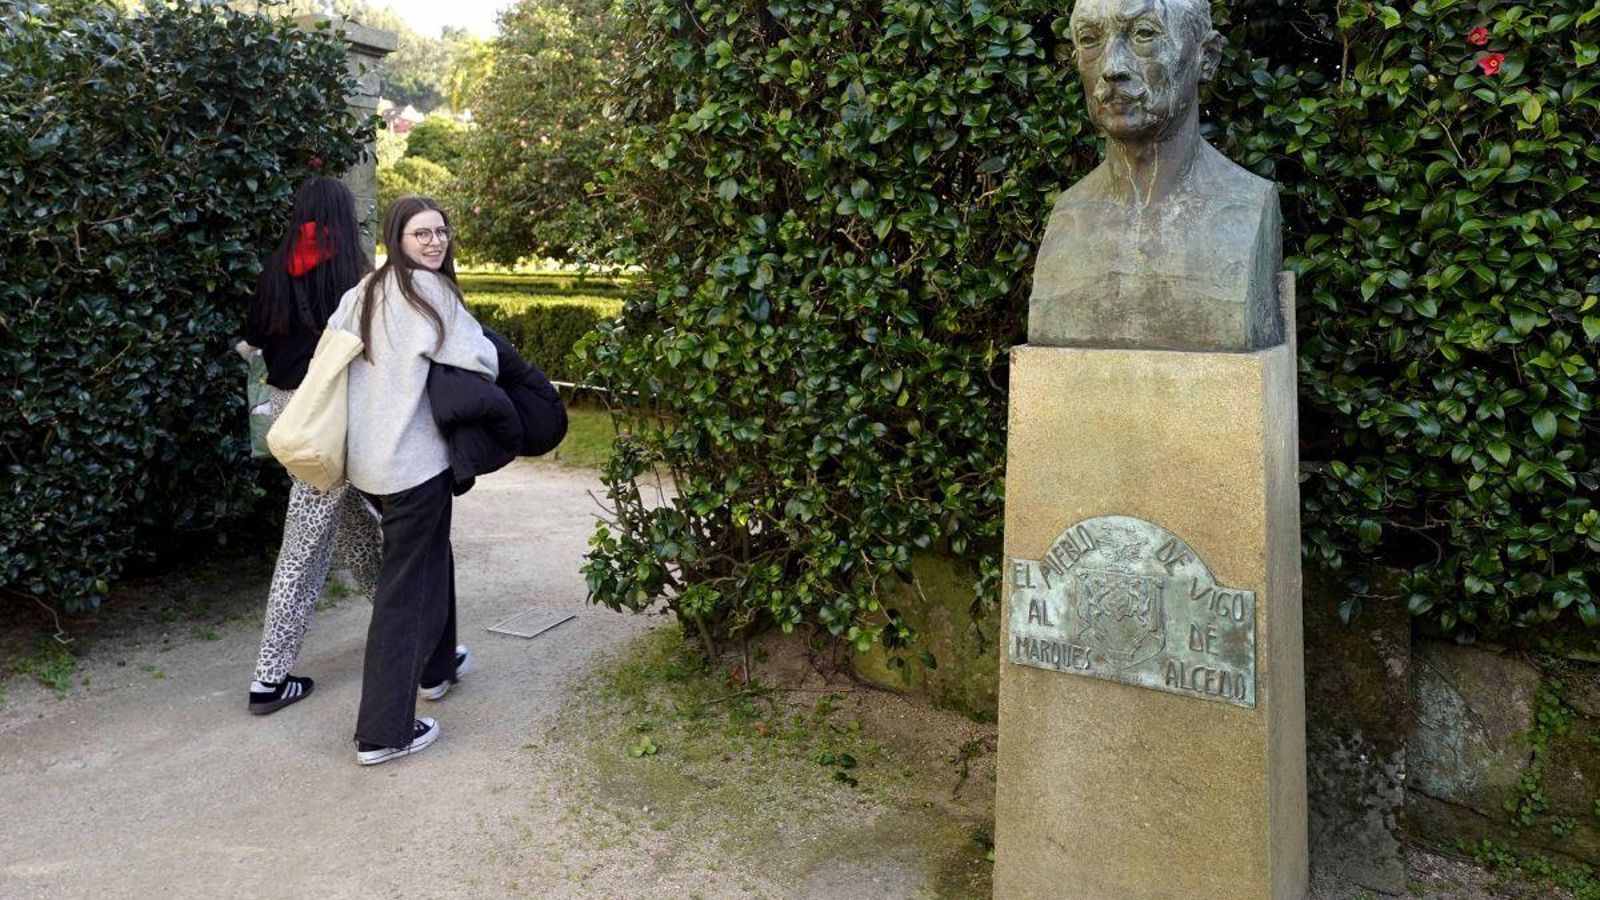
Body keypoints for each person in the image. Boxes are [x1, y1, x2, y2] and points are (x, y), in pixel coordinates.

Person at [325, 196, 497, 765]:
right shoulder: (432, 291)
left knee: (431, 554)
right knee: (402, 593)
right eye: (421, 233)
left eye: (441, 232)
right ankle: (384, 731)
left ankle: (436, 665)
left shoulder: (365, 290)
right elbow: (482, 360)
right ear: (397, 238)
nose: (434, 243)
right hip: (415, 465)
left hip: (369, 465)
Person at [242, 176, 383, 715]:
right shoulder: (351, 274)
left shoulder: (274, 269)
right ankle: (268, 678)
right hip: (330, 415)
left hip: (288, 417)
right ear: (344, 217)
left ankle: (418, 642)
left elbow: (251, 339)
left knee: (356, 528)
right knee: (301, 549)